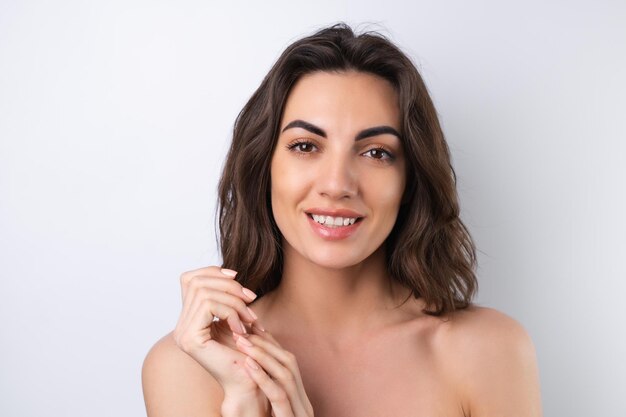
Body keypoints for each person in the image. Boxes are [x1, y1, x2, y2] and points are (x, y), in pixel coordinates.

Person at [142, 23, 542, 417]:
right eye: (305, 146)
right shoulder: (187, 368)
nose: (337, 185)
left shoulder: (488, 351)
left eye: (376, 153)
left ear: (410, 180)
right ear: (263, 166)